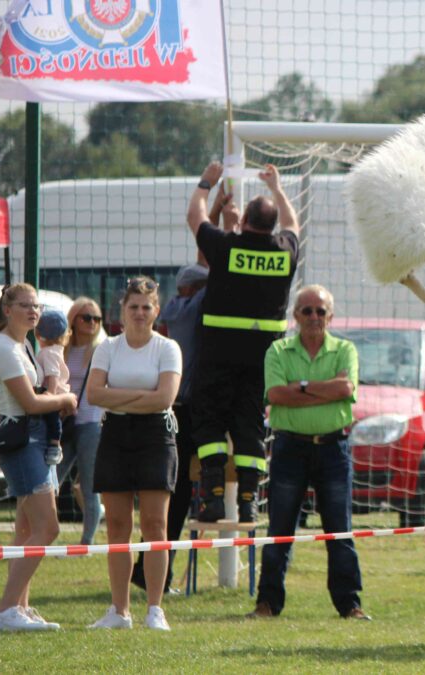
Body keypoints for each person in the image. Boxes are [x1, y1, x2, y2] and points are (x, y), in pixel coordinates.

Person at [186, 161, 300, 523]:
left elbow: (195, 216)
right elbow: (293, 225)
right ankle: (249, 501)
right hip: (261, 359)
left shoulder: (225, 245)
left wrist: (207, 181)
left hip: (218, 355)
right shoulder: (284, 252)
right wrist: (277, 188)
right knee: (250, 425)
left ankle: (213, 496)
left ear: (244, 219)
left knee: (210, 423)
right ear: (270, 225)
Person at [247, 285, 368, 620]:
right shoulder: (277, 350)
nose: (314, 317)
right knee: (280, 529)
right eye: (307, 310)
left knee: (339, 530)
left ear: (330, 316)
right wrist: (325, 391)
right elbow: (275, 395)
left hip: (334, 448)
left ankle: (350, 605)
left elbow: (347, 389)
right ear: (295, 316)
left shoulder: (345, 349)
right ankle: (267, 603)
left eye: (320, 310)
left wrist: (298, 387)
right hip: (289, 448)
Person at [86, 276, 181, 631]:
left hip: (156, 435)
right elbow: (94, 394)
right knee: (117, 525)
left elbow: (164, 398)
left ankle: (155, 608)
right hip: (115, 434)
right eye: (133, 307)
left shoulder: (167, 348)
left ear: (156, 311)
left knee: (155, 524)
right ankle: (119, 610)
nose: (139, 313)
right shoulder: (108, 347)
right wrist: (139, 397)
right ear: (122, 311)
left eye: (146, 307)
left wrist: (119, 394)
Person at [0, 284, 78, 631]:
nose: (33, 311)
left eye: (36, 306)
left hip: (37, 438)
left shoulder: (22, 345)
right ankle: (5, 609)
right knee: (48, 527)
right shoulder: (3, 348)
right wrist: (66, 400)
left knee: (25, 528)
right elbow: (31, 403)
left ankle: (19, 607)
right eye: (24, 305)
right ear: (7, 310)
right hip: (23, 441)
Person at [131, 263, 209, 593]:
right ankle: (151, 572)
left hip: (175, 414)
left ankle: (149, 570)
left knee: (171, 499)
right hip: (184, 415)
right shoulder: (190, 309)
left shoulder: (178, 306)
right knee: (173, 499)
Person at [56, 297, 106, 546]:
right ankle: (42, 531)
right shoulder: (63, 348)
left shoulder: (101, 349)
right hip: (66, 421)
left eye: (96, 318)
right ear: (73, 319)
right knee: (51, 478)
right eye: (86, 317)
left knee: (88, 485)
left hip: (92, 423)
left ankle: (86, 542)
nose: (92, 323)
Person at [35, 309, 71, 467]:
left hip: (54, 392)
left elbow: (53, 374)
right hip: (57, 391)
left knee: (52, 419)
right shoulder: (56, 350)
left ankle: (54, 445)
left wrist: (50, 393)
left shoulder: (48, 352)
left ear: (38, 335)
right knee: (52, 420)